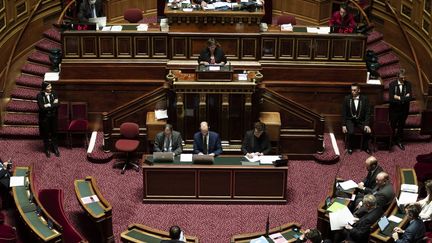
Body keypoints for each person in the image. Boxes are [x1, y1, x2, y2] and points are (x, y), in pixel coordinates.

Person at [341, 83, 371, 154]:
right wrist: (344, 125)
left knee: (367, 131)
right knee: (350, 132)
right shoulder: (347, 98)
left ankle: (365, 147)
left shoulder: (365, 99)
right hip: (350, 120)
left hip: (361, 120)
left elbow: (368, 113)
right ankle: (350, 147)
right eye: (352, 90)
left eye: (354, 90)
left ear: (359, 90)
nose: (353, 92)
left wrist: (366, 124)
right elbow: (344, 113)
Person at [389, 69, 413, 151]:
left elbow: (410, 98)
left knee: (401, 126)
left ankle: (399, 141)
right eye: (402, 78)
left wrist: (398, 97)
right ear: (397, 77)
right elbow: (391, 99)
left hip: (404, 110)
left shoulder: (408, 84)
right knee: (392, 126)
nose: (404, 79)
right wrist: (404, 98)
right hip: (394, 110)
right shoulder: (392, 84)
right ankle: (391, 140)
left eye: (404, 78)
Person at [37, 82, 60, 158]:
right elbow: (42, 107)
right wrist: (53, 104)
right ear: (44, 88)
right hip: (44, 118)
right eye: (49, 86)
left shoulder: (54, 93)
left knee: (54, 133)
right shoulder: (39, 95)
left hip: (53, 117)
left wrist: (48, 105)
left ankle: (55, 148)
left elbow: (58, 104)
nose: (51, 88)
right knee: (46, 134)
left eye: (50, 86)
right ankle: (47, 149)